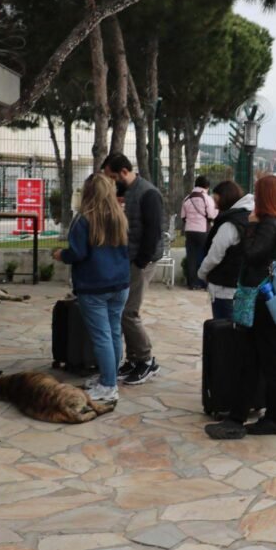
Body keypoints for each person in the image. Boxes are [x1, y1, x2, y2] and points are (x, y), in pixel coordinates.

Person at [205, 175, 276, 440]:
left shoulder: (268, 224)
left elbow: (252, 255)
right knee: (261, 359)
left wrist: (250, 228)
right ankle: (246, 414)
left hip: (260, 300)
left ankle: (270, 418)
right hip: (266, 298)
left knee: (262, 359)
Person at [53, 174, 130, 403]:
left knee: (102, 336)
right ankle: (110, 377)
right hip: (120, 283)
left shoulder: (83, 220)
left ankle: (108, 385)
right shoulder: (119, 216)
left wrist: (61, 255)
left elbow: (78, 253)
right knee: (114, 332)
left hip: (93, 285)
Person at [101, 153, 165, 385]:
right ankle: (134, 359)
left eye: (112, 176)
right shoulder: (126, 192)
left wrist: (141, 261)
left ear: (123, 172)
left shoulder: (148, 193)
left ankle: (146, 360)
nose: (110, 181)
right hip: (129, 259)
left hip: (140, 261)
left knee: (129, 312)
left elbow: (153, 231)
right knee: (122, 312)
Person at [198, 180, 253, 319]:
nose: (215, 205)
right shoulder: (248, 217)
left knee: (224, 333)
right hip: (243, 284)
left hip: (224, 288)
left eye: (216, 200)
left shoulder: (229, 224)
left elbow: (215, 255)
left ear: (225, 199)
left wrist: (202, 273)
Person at [181, 175, 217, 290]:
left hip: (189, 231)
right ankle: (203, 282)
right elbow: (212, 215)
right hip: (203, 231)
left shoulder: (187, 198)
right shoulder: (207, 198)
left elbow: (183, 216)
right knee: (204, 256)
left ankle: (192, 283)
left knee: (191, 257)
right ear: (207, 186)